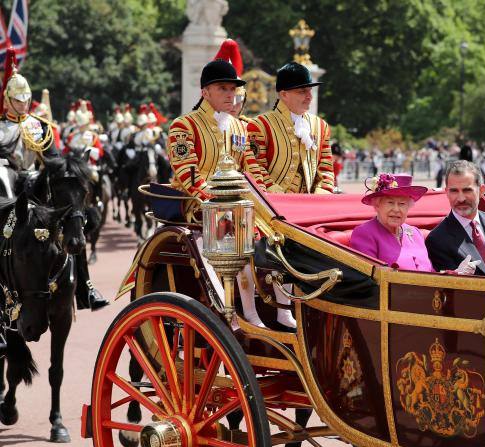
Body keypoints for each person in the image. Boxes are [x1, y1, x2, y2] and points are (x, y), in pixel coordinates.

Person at [166, 41, 268, 330]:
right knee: (231, 228)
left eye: (233, 88)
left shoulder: (239, 127)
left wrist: (269, 200)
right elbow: (188, 176)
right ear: (205, 92)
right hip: (199, 205)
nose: (230, 94)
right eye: (222, 88)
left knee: (274, 232)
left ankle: (258, 309)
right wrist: (220, 201)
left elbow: (251, 169)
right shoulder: (183, 126)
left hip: (237, 205)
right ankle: (232, 310)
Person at [0, 52, 108, 310]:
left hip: (36, 189)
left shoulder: (41, 127)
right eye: (18, 99)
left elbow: (54, 160)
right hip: (6, 191)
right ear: (7, 100)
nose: (24, 104)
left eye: (26, 99)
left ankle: (86, 288)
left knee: (73, 223)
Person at [247, 61, 335, 194]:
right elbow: (256, 168)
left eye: (310, 90)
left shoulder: (321, 126)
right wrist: (274, 192)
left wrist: (322, 194)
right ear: (284, 95)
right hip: (275, 206)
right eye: (302, 91)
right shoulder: (260, 125)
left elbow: (326, 169)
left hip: (310, 206)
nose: (309, 96)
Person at [426, 160, 485, 277]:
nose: (461, 198)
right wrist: (458, 275)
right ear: (446, 192)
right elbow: (450, 289)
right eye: (454, 191)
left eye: (467, 190)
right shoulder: (437, 239)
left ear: (481, 191)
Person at [350, 173, 433, 271]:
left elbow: (432, 272)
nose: (396, 209)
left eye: (402, 204)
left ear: (408, 207)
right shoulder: (364, 233)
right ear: (377, 205)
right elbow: (370, 280)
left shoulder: (415, 233)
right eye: (390, 203)